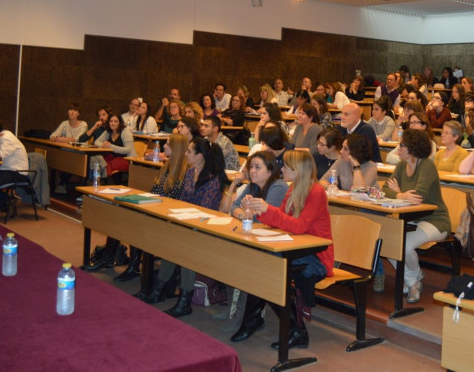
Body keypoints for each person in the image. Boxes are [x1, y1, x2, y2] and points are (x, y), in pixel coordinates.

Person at [233, 150, 333, 347]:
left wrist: (267, 209)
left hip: (317, 256)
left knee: (269, 268)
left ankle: (290, 329)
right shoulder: (293, 188)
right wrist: (259, 211)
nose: (282, 169)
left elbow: (299, 226)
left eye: (286, 166)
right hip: (295, 248)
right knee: (265, 265)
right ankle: (289, 328)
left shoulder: (316, 192)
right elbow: (281, 218)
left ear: (297, 170)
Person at [141, 137, 227, 318]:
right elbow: (182, 201)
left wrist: (187, 216)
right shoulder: (189, 173)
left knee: (186, 247)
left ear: (200, 156)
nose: (185, 154)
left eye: (189, 151)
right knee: (172, 242)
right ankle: (159, 290)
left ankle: (184, 301)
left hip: (206, 228)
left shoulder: (213, 178)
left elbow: (207, 208)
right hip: (187, 224)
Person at [382, 129, 451, 303]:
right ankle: (414, 280)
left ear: (413, 148)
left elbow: (418, 196)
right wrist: (401, 195)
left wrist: (399, 192)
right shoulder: (401, 165)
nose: (398, 148)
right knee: (387, 243)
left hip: (435, 220)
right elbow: (385, 189)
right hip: (412, 218)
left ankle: (411, 281)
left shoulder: (426, 165)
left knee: (402, 246)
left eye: (402, 145)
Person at [114, 133, 190, 282]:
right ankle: (131, 263)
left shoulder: (185, 173)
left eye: (168, 144)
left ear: (176, 148)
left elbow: (174, 200)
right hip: (155, 209)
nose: (164, 146)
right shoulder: (167, 166)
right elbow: (155, 191)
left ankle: (135, 265)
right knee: (125, 214)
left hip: (167, 216)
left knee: (139, 224)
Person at [49, 103, 88, 194]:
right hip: (66, 151)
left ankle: (62, 182)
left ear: (79, 113)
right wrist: (55, 138)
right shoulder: (65, 123)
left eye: (75, 110)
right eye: (70, 110)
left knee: (72, 160)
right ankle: (61, 183)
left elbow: (78, 139)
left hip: (79, 152)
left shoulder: (83, 124)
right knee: (61, 157)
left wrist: (62, 139)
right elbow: (52, 135)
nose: (72, 112)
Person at [94, 114, 138, 183]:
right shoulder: (108, 131)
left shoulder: (125, 132)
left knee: (107, 164)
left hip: (126, 159)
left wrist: (111, 146)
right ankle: (106, 180)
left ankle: (106, 180)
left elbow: (128, 149)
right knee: (99, 159)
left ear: (120, 123)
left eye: (115, 121)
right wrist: (103, 145)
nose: (113, 123)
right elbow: (96, 142)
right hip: (112, 157)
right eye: (111, 121)